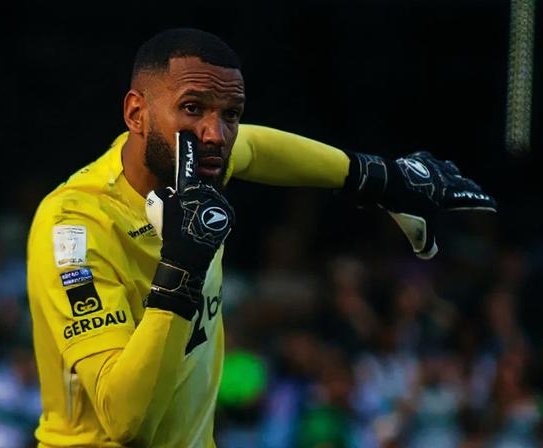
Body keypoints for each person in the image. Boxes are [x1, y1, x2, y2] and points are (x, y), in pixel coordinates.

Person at [26, 27, 496, 447]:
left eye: (230, 114)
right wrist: (181, 270)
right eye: (193, 108)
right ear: (136, 112)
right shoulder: (74, 226)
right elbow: (128, 422)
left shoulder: (195, 164)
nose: (216, 134)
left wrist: (379, 178)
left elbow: (255, 147)